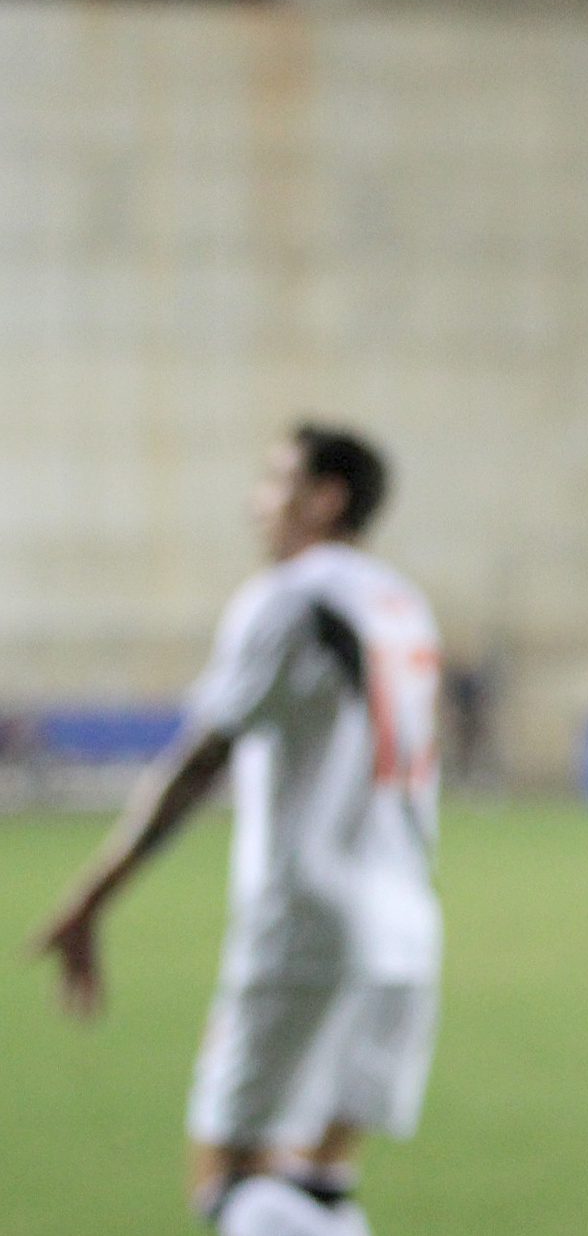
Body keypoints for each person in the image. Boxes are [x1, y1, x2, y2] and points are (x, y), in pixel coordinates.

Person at [32, 425, 443, 1236]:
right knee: (319, 1183)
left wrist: (91, 897)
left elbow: (202, 759)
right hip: (406, 925)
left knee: (225, 1182)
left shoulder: (290, 597)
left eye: (274, 481)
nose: (256, 504)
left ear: (325, 498)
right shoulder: (401, 602)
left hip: (307, 920)